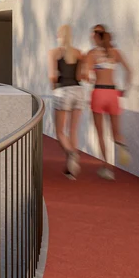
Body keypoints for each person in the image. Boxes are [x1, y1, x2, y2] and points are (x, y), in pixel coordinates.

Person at [86, 24, 132, 179]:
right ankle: (121, 143)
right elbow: (129, 71)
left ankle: (107, 168)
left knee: (100, 133)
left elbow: (85, 75)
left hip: (99, 92)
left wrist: (92, 72)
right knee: (115, 132)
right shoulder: (115, 53)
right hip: (113, 93)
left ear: (95, 36)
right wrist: (125, 90)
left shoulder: (92, 54)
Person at [48, 25, 86, 178]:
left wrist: (53, 88)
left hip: (63, 91)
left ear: (59, 35)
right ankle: (71, 170)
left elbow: (52, 77)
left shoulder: (54, 53)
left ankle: (71, 154)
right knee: (73, 131)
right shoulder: (78, 53)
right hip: (78, 91)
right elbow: (79, 77)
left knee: (59, 132)